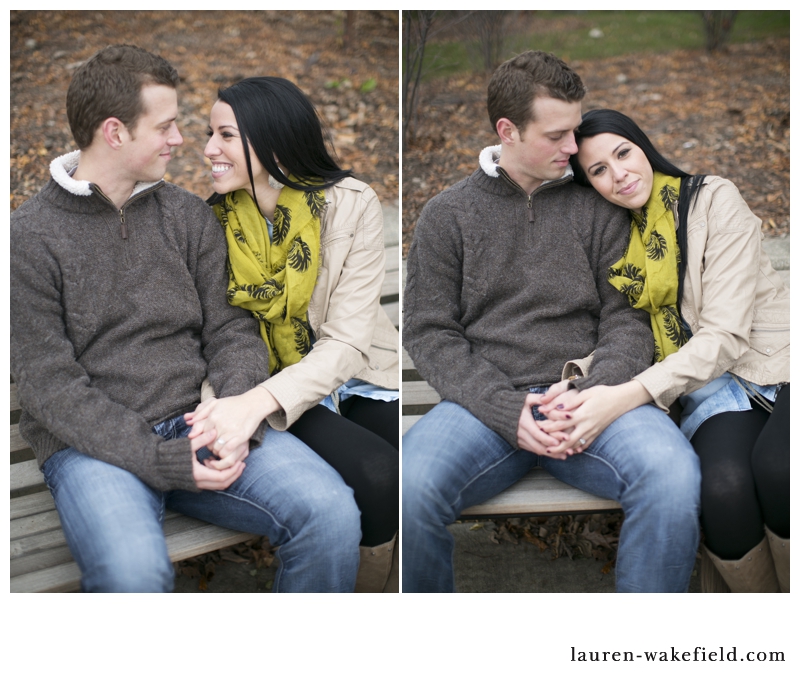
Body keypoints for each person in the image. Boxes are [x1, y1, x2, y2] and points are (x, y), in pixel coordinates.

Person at [10, 44, 363, 593]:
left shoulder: (186, 215)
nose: (182, 141)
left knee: (330, 513)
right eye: (167, 126)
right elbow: (48, 385)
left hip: (201, 422)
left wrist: (231, 410)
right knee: (133, 574)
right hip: (94, 450)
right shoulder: (29, 238)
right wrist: (159, 459)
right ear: (115, 132)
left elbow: (231, 329)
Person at [402, 51, 701, 593]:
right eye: (557, 135)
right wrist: (503, 407)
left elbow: (628, 317)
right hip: (486, 407)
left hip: (590, 401)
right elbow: (429, 330)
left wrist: (593, 393)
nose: (573, 148)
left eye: (575, 131)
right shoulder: (448, 215)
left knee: (672, 475)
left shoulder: (598, 207)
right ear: (508, 130)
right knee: (408, 486)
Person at [539, 108, 789, 592]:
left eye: (623, 153)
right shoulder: (614, 244)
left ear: (643, 145)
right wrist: (579, 381)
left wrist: (631, 392)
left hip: (778, 362)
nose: (620, 175)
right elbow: (628, 331)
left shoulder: (712, 200)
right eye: (598, 171)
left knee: (782, 467)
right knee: (722, 491)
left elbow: (725, 334)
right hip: (711, 391)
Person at [183, 76, 400, 592]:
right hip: (275, 383)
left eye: (226, 135)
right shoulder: (208, 224)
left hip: (358, 371)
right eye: (209, 134)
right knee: (377, 474)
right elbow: (215, 335)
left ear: (273, 140)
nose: (208, 149)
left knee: (407, 470)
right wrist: (237, 406)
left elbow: (348, 340)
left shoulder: (351, 204)